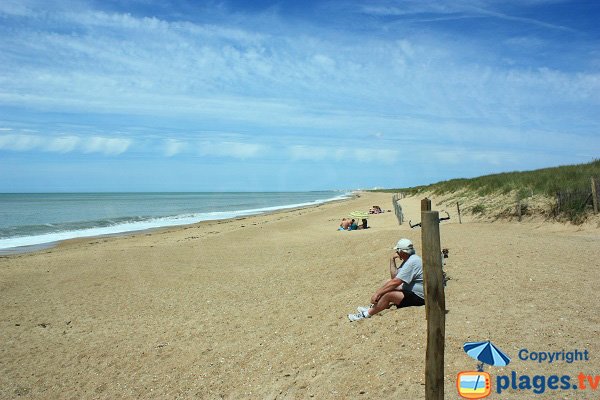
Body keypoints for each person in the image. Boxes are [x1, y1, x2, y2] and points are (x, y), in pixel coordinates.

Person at [348, 238, 424, 321]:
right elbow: (394, 277)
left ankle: (365, 315)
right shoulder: (409, 259)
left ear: (402, 251)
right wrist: (392, 260)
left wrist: (377, 293)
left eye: (397, 251)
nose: (397, 253)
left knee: (389, 295)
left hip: (421, 297)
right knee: (388, 283)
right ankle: (375, 306)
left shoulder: (412, 262)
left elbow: (396, 282)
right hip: (416, 291)